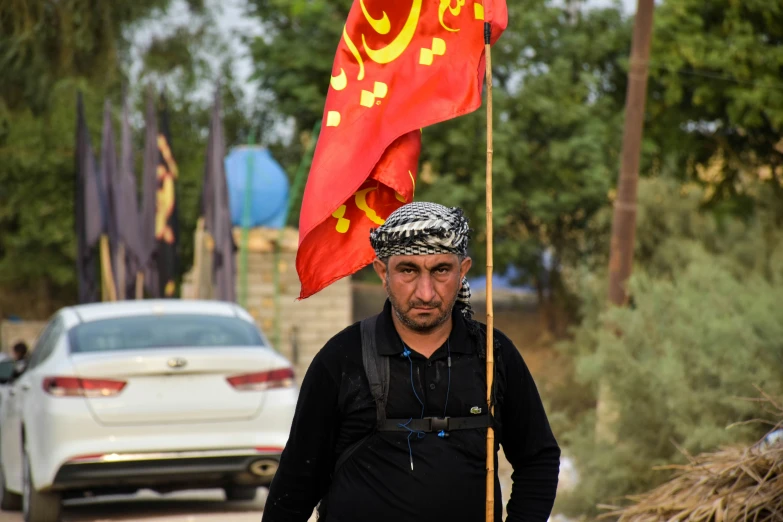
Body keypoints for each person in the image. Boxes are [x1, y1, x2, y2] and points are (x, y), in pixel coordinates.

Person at [263, 202, 560, 522]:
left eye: (441, 270)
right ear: (382, 272)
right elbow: (297, 481)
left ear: (463, 271)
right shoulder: (342, 358)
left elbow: (538, 459)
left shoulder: (492, 355)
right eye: (408, 270)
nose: (425, 293)